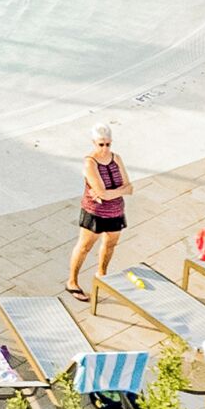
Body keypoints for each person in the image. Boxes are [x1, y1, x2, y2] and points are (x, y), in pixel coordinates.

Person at [65, 125, 129, 302]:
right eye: (101, 144)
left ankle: (102, 274)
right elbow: (102, 192)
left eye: (108, 144)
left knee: (110, 244)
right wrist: (115, 191)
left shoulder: (116, 158)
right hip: (95, 212)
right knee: (85, 246)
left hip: (116, 211)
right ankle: (72, 282)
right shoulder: (90, 163)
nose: (105, 148)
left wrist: (108, 194)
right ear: (94, 143)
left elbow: (129, 187)